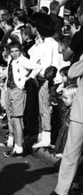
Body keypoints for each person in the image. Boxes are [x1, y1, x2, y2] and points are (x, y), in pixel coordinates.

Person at [50, 55, 83, 195]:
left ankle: (62, 190)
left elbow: (72, 72)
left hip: (80, 114)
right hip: (79, 113)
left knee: (71, 153)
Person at [28, 13, 60, 149]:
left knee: (45, 109)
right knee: (44, 109)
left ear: (37, 27)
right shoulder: (48, 42)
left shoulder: (47, 44)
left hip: (46, 80)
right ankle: (43, 134)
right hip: (46, 80)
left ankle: (46, 136)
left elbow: (42, 65)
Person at [3, 40, 40, 158]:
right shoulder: (12, 60)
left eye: (16, 51)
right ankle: (16, 146)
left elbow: (37, 67)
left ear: (20, 51)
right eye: (12, 51)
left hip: (18, 91)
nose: (14, 53)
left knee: (17, 120)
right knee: (12, 119)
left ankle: (19, 149)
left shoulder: (23, 60)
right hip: (9, 90)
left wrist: (27, 78)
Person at [53, 84, 78, 158]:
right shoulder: (67, 108)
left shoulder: (75, 111)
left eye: (66, 98)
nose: (63, 100)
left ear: (74, 98)